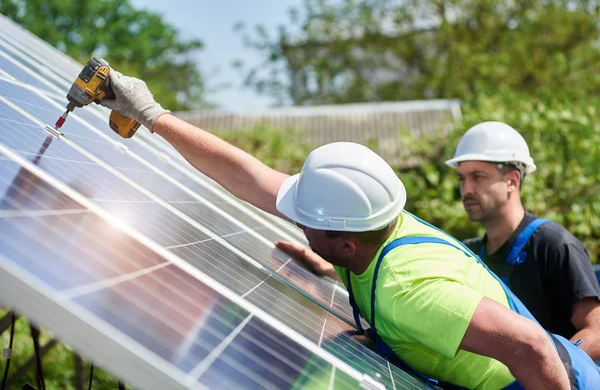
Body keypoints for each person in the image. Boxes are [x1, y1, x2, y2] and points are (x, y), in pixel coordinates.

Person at [99, 70, 600, 389]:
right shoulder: (382, 222)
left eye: (305, 219)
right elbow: (248, 176)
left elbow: (531, 349)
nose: (293, 216)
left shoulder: (408, 292)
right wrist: (152, 115)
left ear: (345, 242)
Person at [445, 121, 600, 362]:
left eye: (477, 176)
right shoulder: (468, 254)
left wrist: (552, 368)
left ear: (513, 181)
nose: (466, 189)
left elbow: (597, 330)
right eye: (462, 178)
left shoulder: (554, 246)